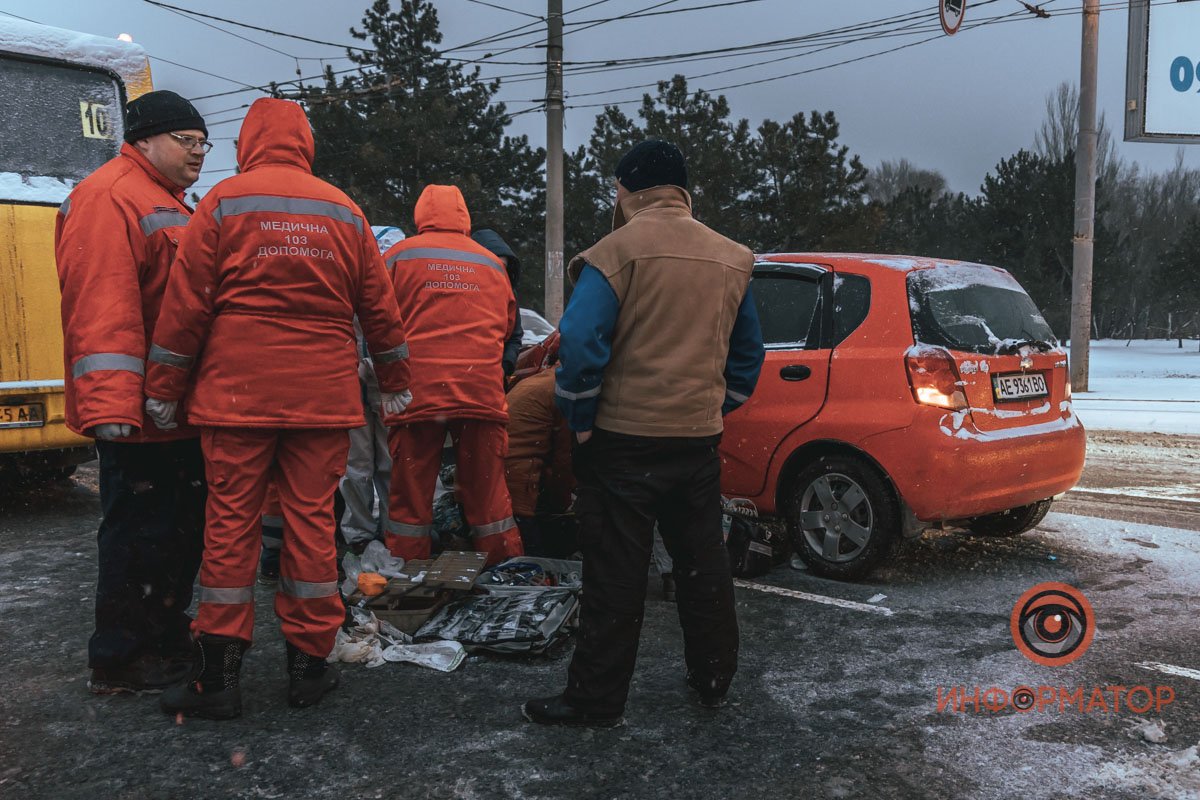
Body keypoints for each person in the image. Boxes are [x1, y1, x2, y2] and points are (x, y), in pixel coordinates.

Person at [143, 98, 412, 720]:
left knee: (229, 526)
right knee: (312, 524)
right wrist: (395, 379)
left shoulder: (223, 203)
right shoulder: (344, 210)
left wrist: (164, 387)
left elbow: (186, 306)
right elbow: (380, 308)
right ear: (306, 145)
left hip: (237, 394)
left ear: (246, 145)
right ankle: (310, 671)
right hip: (321, 397)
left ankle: (217, 679)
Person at [523, 140, 765, 727]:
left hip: (622, 442)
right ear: (680, 191)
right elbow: (748, 356)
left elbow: (580, 345)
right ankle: (713, 678)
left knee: (616, 573)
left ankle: (595, 700)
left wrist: (581, 422)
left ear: (629, 190)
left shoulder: (614, 253)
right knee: (703, 565)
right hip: (696, 443)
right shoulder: (733, 258)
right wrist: (711, 408)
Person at [54, 89, 209, 695]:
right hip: (140, 413)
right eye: (185, 140)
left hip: (174, 412)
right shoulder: (110, 196)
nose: (197, 152)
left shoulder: (164, 200)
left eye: (203, 144)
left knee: (174, 534)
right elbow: (101, 306)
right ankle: (121, 658)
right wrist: (111, 404)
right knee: (140, 536)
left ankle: (163, 636)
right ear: (144, 139)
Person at [381, 185, 523, 567]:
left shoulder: (399, 256)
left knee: (411, 494)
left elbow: (377, 320)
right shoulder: (492, 264)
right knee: (488, 492)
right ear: (464, 216)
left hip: (418, 392)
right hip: (480, 391)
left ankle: (406, 569)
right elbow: (508, 327)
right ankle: (503, 568)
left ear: (421, 215)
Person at [335, 225, 408, 555]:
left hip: (382, 383)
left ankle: (388, 532)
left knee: (384, 463)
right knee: (358, 465)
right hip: (361, 383)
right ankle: (362, 534)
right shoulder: (354, 277)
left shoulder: (393, 281)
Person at [503, 369, 576, 558]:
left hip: (496, 479)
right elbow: (563, 460)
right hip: (517, 485)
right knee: (534, 557)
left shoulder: (543, 381)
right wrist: (562, 504)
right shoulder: (565, 391)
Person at [471, 228, 525, 377]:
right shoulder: (467, 292)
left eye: (503, 267)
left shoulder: (509, 293)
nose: (499, 272)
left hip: (493, 377)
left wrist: (505, 366)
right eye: (494, 266)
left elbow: (515, 336)